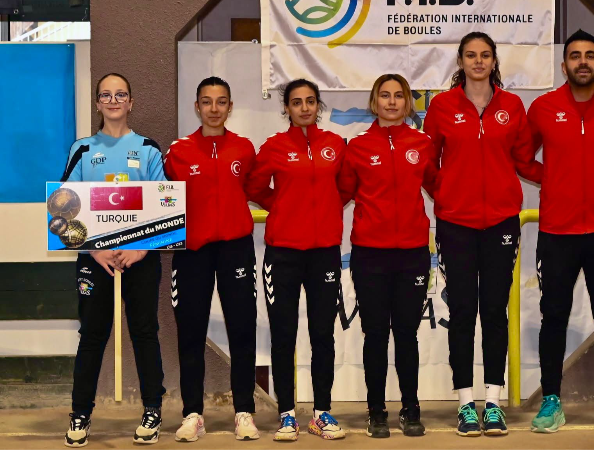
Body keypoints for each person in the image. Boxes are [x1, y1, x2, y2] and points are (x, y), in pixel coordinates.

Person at [525, 30, 594, 433]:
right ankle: (551, 400)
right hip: (558, 231)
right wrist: (553, 179)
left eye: (590, 55)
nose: (583, 62)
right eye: (575, 56)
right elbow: (522, 155)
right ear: (565, 65)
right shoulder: (543, 107)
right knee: (554, 315)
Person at [423, 31, 537, 437]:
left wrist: (567, 180)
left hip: (501, 223)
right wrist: (449, 194)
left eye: (485, 55)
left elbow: (524, 160)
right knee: (462, 312)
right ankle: (465, 403)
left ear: (493, 61)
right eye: (470, 55)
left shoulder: (512, 106)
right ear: (460, 61)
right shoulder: (441, 107)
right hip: (456, 224)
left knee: (493, 311)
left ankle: (493, 402)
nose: (478, 61)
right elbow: (428, 164)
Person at [61, 73, 166, 447]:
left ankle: (152, 410)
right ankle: (80, 414)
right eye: (106, 95)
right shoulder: (82, 150)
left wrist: (141, 249)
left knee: (145, 331)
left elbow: (165, 204)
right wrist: (94, 248)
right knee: (92, 334)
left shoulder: (148, 149)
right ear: (97, 103)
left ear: (131, 102)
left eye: (121, 94)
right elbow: (63, 206)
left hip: (140, 258)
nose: (113, 100)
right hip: (96, 259)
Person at [245, 79, 347, 442]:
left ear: (318, 106)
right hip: (283, 253)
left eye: (310, 101)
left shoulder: (335, 145)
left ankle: (322, 413)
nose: (304, 108)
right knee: (284, 335)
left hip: (324, 253)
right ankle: (287, 415)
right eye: (296, 102)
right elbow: (254, 187)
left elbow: (346, 186)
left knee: (322, 335)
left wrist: (327, 208)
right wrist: (285, 206)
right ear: (286, 108)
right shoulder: (274, 146)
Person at [338, 74, 437, 438]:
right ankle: (376, 411)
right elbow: (341, 194)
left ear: (408, 102)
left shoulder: (422, 143)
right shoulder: (358, 146)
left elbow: (440, 187)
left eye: (398, 95)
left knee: (407, 334)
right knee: (376, 334)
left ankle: (411, 408)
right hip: (370, 254)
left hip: (412, 253)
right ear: (374, 102)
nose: (392, 102)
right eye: (385, 95)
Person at [163, 76, 260, 442]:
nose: (214, 108)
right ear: (197, 107)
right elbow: (161, 199)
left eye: (221, 102)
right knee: (190, 332)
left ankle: (244, 412)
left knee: (242, 329)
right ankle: (192, 414)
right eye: (207, 102)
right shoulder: (178, 152)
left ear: (230, 107)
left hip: (236, 248)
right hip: (193, 252)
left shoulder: (244, 148)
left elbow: (256, 189)